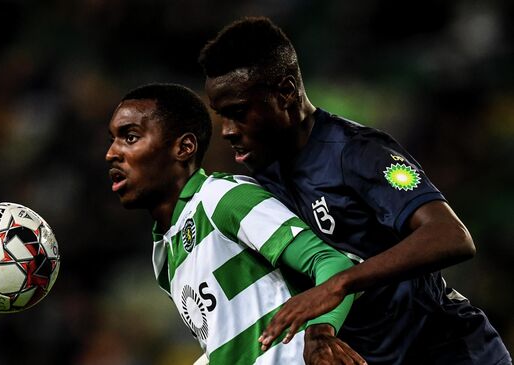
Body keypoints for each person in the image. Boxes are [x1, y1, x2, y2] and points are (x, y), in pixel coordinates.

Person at [198, 16, 512, 365]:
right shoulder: (260, 182)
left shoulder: (356, 152)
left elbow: (451, 236)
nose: (227, 130)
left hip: (449, 351)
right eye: (221, 115)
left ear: (286, 93)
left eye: (238, 113)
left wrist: (339, 284)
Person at [106, 83, 367, 364]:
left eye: (130, 137)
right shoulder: (164, 258)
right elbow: (230, 344)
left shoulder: (221, 198)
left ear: (184, 148)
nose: (111, 153)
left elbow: (333, 263)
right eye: (113, 139)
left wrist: (321, 334)